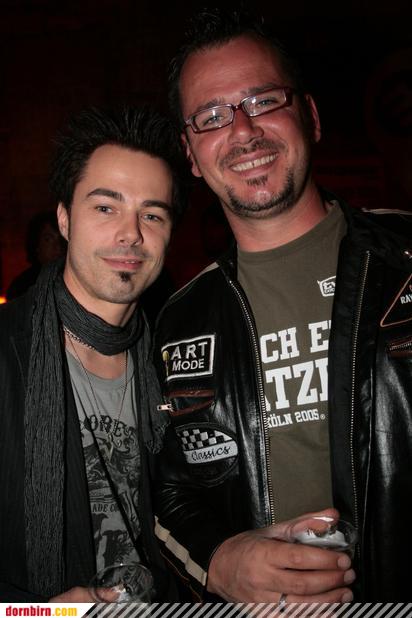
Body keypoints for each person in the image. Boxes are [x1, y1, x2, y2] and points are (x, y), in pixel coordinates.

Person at [152, 7, 412, 605]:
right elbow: (165, 491)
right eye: (211, 116)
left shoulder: (406, 257)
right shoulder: (177, 322)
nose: (243, 131)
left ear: (310, 116)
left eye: (264, 100)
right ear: (190, 154)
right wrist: (218, 562)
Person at [0, 104, 187, 602]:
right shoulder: (7, 352)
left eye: (152, 214)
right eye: (106, 208)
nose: (131, 233)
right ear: (64, 219)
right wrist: (34, 614)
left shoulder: (177, 362)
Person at [6, 209, 66, 301]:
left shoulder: (72, 281)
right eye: (48, 239)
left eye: (60, 238)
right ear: (36, 243)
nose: (57, 246)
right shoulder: (21, 286)